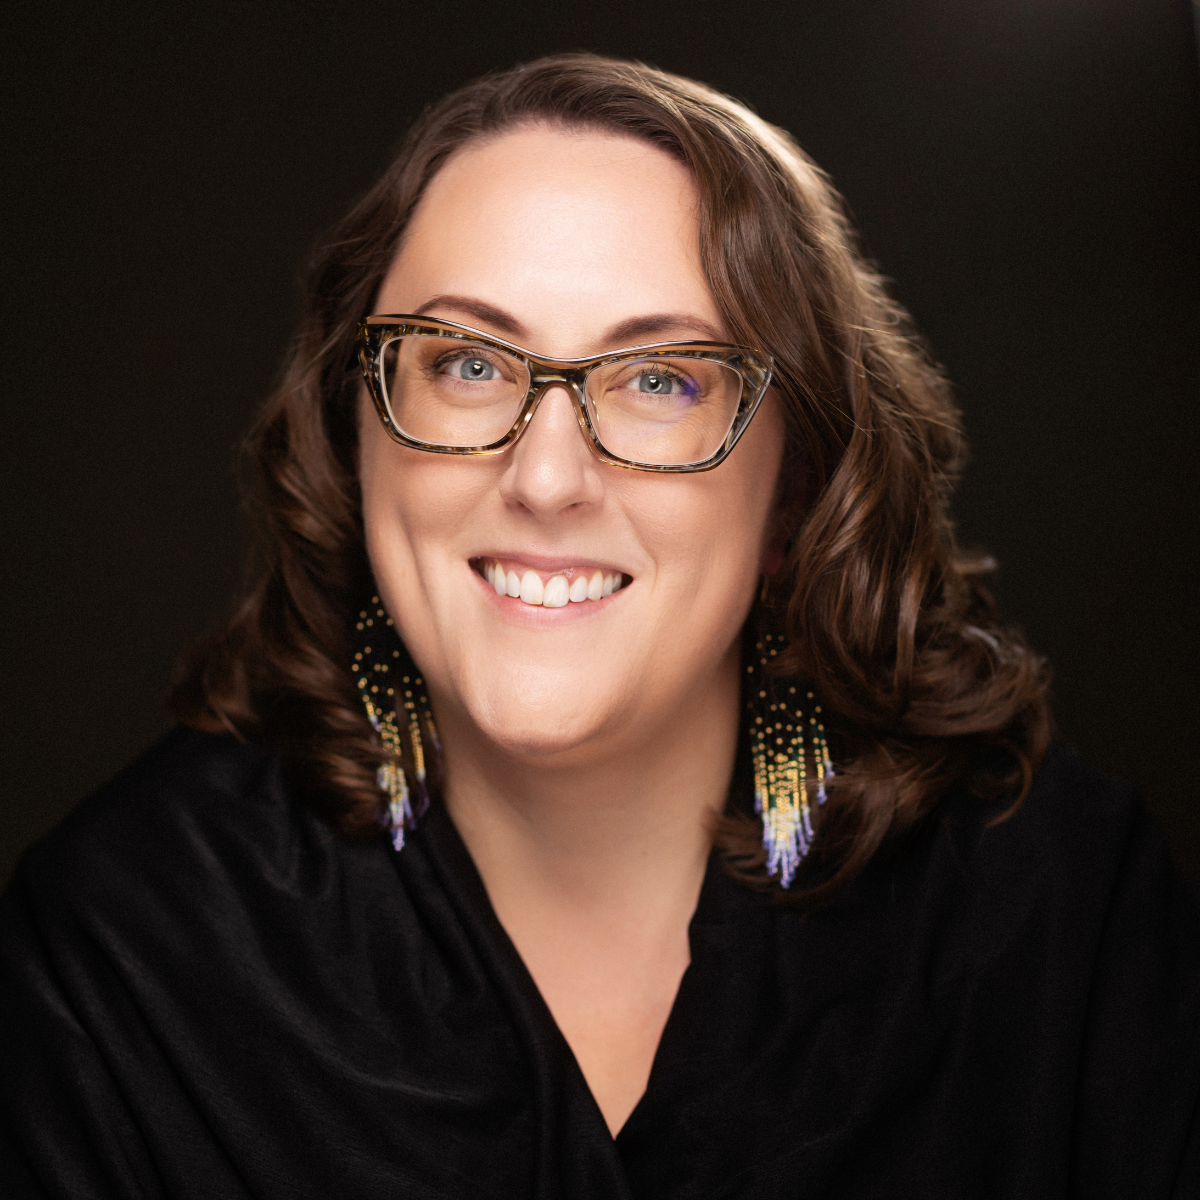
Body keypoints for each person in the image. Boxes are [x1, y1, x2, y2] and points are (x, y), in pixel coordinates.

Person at [1, 53, 1196, 1199]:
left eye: (661, 379)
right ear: (353, 430)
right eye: (468, 364)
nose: (546, 478)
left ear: (797, 481)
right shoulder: (122, 946)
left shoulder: (1058, 913)